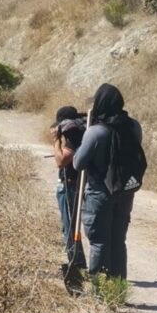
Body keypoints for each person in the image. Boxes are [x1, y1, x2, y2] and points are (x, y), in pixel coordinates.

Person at [73, 83, 146, 281]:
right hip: (124, 192)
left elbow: (78, 164)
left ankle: (100, 290)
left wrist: (82, 142)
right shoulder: (133, 126)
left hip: (99, 194)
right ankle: (118, 287)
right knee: (118, 241)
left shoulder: (95, 132)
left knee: (99, 242)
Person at [50, 106, 88, 294]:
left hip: (71, 184)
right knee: (72, 227)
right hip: (78, 183)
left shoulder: (72, 134)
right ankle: (79, 263)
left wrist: (56, 142)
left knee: (70, 227)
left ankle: (77, 265)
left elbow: (61, 160)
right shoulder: (83, 129)